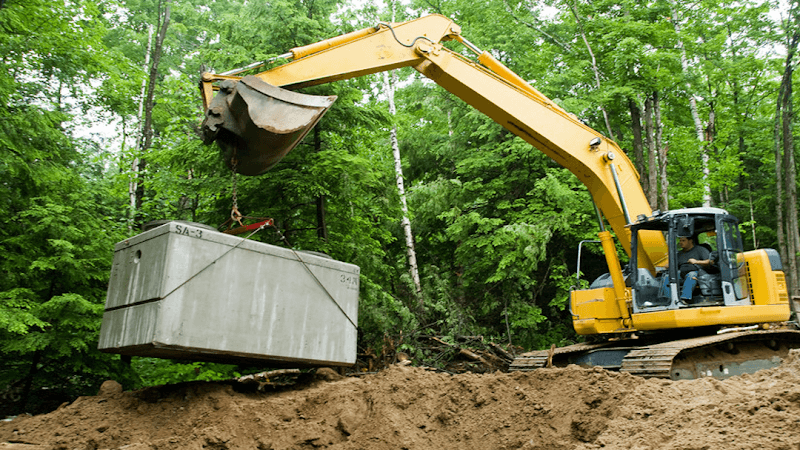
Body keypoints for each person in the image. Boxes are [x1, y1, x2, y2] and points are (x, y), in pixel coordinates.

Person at [676, 235, 711, 301]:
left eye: (683, 240)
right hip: (682, 273)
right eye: (680, 241)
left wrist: (696, 261)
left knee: (691, 275)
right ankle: (666, 298)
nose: (680, 243)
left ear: (690, 241)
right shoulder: (679, 254)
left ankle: (685, 298)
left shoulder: (700, 250)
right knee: (668, 276)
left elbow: (709, 261)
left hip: (698, 273)